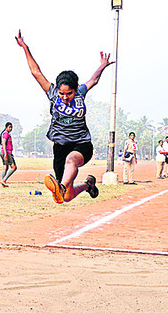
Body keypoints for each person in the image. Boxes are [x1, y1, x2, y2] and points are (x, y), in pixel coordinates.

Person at [14, 29, 114, 203]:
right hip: (60, 147)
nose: (65, 97)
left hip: (81, 145)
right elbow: (36, 72)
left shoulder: (81, 93)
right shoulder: (52, 93)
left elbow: (94, 79)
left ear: (75, 90)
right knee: (65, 197)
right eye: (62, 93)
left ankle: (61, 185)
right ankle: (87, 186)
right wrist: (25, 47)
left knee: (71, 161)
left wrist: (102, 65)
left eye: (69, 93)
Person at [0, 122, 16, 187]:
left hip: (5, 152)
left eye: (11, 127)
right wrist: (6, 154)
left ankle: (3, 182)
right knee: (14, 167)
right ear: (6, 128)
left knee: (5, 167)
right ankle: (4, 180)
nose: (10, 128)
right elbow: (3, 143)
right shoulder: (6, 134)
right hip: (6, 153)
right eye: (9, 127)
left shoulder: (6, 134)